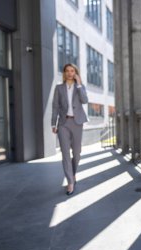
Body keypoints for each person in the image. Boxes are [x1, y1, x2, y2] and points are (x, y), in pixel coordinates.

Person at [52, 63, 88, 195]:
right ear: (64, 73)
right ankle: (70, 182)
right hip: (63, 123)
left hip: (77, 123)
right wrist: (53, 124)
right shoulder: (59, 88)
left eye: (72, 71)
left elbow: (85, 101)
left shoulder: (80, 87)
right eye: (67, 71)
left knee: (77, 154)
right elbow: (55, 106)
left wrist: (79, 85)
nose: (69, 73)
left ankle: (72, 173)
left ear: (75, 73)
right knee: (65, 154)